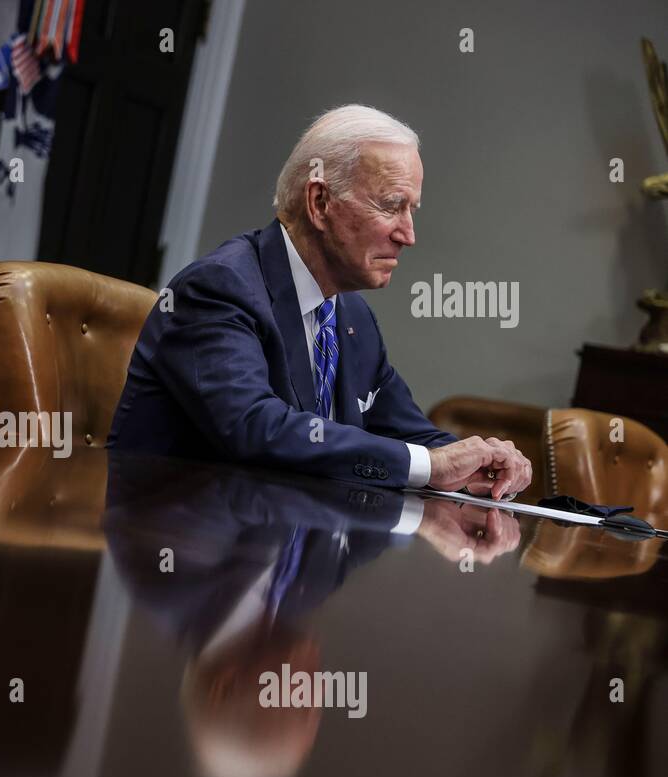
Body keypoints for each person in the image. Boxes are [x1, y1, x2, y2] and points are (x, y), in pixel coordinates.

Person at [107, 105, 531, 500]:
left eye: (412, 210)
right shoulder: (219, 289)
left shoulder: (353, 316)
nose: (408, 235)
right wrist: (432, 464)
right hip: (177, 552)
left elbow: (411, 435)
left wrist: (480, 462)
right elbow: (255, 427)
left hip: (288, 553)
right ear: (320, 203)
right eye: (391, 206)